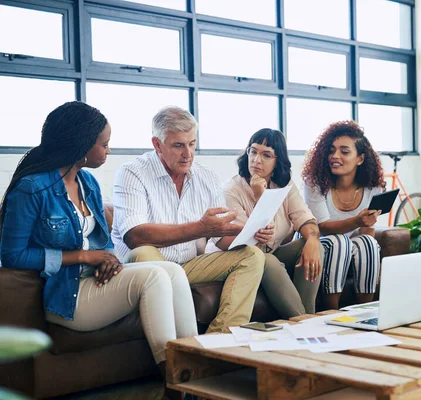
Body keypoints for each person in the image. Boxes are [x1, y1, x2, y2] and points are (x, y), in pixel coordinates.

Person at [0, 102, 198, 397]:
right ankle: (174, 384)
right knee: (153, 276)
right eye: (104, 144)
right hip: (66, 295)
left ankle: (195, 368)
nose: (109, 151)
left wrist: (109, 260)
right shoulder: (32, 189)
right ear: (81, 146)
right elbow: (11, 255)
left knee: (170, 270)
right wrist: (81, 257)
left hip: (95, 282)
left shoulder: (88, 183)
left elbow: (102, 243)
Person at [111, 106, 265, 333]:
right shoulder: (132, 172)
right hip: (145, 269)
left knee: (252, 255)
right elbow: (135, 236)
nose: (188, 153)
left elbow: (219, 239)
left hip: (187, 267)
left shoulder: (206, 177)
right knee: (145, 251)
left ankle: (220, 338)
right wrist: (200, 228)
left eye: (192, 144)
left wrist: (248, 233)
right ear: (157, 144)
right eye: (178, 145)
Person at [217, 128, 323, 317]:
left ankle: (307, 315)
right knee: (269, 261)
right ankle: (304, 321)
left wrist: (313, 241)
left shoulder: (284, 184)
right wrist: (260, 197)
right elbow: (247, 242)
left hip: (270, 253)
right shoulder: (231, 189)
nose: (257, 160)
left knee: (315, 246)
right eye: (253, 151)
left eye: (266, 155)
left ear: (277, 161)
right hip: (243, 255)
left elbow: (305, 218)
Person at [301, 120, 385, 310]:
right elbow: (322, 227)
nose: (335, 156)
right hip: (316, 243)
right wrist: (356, 220)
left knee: (369, 243)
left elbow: (367, 230)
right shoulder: (314, 183)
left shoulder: (373, 187)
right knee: (340, 242)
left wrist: (362, 256)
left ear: (360, 159)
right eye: (331, 150)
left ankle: (365, 311)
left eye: (344, 152)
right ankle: (332, 312)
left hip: (348, 245)